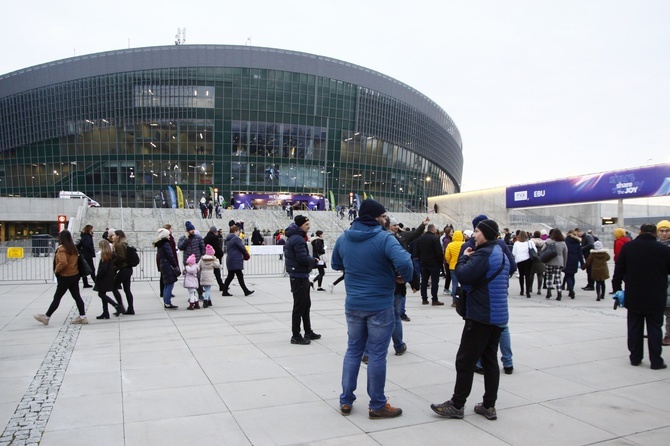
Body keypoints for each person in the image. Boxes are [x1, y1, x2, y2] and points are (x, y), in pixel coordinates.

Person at [331, 199, 413, 419]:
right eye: (384, 216)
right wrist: (403, 277)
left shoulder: (345, 237)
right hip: (379, 305)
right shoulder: (384, 238)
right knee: (377, 355)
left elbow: (335, 264)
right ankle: (377, 404)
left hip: (354, 304)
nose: (386, 219)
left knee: (353, 351)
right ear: (377, 217)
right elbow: (406, 263)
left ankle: (346, 400)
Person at [431, 219, 510, 421]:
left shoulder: (484, 253)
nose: (473, 235)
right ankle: (488, 405)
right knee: (490, 360)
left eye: (476, 231)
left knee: (465, 360)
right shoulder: (500, 252)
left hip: (481, 315)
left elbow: (464, 276)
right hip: (497, 316)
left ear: (486, 233)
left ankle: (457, 405)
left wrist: (464, 259)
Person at [612, 223, 670, 370]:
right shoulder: (664, 250)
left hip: (634, 294)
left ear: (640, 232)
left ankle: (635, 357)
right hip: (656, 295)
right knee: (655, 328)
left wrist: (617, 289)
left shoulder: (629, 247)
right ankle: (656, 361)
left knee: (634, 327)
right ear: (655, 233)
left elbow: (619, 270)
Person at [34, 229, 88, 325]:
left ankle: (46, 317)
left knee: (57, 297)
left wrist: (57, 270)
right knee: (77, 296)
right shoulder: (73, 248)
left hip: (65, 276)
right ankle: (83, 316)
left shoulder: (62, 249)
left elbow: (63, 262)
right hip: (74, 275)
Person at [285, 215, 320, 345]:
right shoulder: (298, 239)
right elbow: (302, 258)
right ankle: (295, 335)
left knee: (305, 305)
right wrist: (314, 260)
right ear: (300, 226)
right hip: (298, 275)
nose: (308, 226)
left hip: (300, 274)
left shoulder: (295, 237)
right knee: (300, 306)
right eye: (306, 224)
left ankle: (308, 331)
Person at [93, 239, 124, 319]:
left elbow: (103, 269)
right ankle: (105, 312)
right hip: (109, 276)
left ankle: (116, 305)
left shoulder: (105, 255)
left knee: (101, 294)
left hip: (104, 278)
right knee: (102, 294)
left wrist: (98, 276)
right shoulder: (110, 254)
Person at [416, 224, 445, 306]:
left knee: (424, 281)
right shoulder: (435, 238)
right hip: (434, 263)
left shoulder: (420, 238)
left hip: (424, 262)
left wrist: (420, 259)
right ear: (433, 229)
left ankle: (424, 299)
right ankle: (434, 299)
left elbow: (418, 251)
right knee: (435, 281)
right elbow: (438, 252)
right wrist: (440, 263)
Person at [222, 225, 254, 297]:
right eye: (238, 231)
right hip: (235, 259)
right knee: (239, 275)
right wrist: (246, 254)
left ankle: (224, 291)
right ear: (235, 231)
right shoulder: (236, 239)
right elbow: (242, 247)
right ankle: (245, 291)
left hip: (230, 259)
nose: (239, 232)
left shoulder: (228, 239)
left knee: (230, 276)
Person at [178, 221, 206, 299]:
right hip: (188, 262)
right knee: (190, 280)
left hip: (197, 261)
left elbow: (203, 248)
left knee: (198, 278)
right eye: (191, 230)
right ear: (187, 231)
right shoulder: (183, 238)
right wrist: (186, 239)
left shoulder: (198, 238)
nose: (192, 231)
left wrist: (202, 258)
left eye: (193, 229)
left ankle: (200, 294)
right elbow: (180, 247)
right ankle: (192, 295)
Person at [111, 229, 135, 314]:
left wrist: (113, 264)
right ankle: (130, 308)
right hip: (127, 269)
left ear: (118, 236)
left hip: (124, 269)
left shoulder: (119, 245)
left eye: (113, 235)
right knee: (127, 289)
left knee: (113, 287)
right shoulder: (123, 244)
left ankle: (120, 307)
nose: (112, 237)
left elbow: (121, 257)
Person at [154, 227, 179, 309]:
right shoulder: (166, 244)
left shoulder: (161, 244)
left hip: (164, 264)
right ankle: (167, 302)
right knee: (169, 284)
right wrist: (175, 265)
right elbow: (170, 255)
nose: (169, 236)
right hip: (167, 265)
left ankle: (166, 301)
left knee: (166, 284)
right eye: (168, 234)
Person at [541, 228, 568, 300]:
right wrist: (564, 264)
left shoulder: (548, 241)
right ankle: (559, 293)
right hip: (559, 262)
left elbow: (543, 250)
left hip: (549, 261)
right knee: (558, 278)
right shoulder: (563, 243)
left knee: (549, 276)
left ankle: (549, 291)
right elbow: (565, 254)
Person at [511, 231, 536, 298]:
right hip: (528, 260)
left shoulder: (516, 243)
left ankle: (522, 290)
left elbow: (514, 253)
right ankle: (528, 291)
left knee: (521, 275)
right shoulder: (529, 242)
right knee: (528, 276)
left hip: (519, 260)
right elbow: (535, 251)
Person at [658, 220, 670, 346]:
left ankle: (668, 335)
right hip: (657, 284)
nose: (664, 233)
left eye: (667, 231)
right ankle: (655, 331)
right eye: (662, 231)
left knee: (669, 313)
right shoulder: (655, 245)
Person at [445, 230, 465, 305]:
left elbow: (447, 256)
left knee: (454, 284)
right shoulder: (464, 244)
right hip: (463, 266)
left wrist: (450, 262)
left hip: (453, 266)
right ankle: (462, 299)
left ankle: (454, 301)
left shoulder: (450, 245)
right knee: (463, 283)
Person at [158, 224, 178, 298]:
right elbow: (170, 253)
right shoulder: (166, 242)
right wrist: (174, 264)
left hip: (164, 262)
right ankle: (166, 298)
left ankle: (165, 294)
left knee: (165, 278)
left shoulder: (162, 242)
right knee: (168, 281)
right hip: (167, 262)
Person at [203, 226, 225, 291]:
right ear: (215, 232)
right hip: (214, 257)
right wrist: (221, 254)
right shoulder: (215, 238)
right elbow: (217, 248)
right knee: (217, 272)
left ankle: (204, 286)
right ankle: (221, 285)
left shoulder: (205, 238)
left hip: (206, 258)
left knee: (206, 273)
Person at [563, 230, 584, 299]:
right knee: (572, 275)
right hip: (574, 260)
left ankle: (571, 289)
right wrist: (582, 263)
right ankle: (571, 289)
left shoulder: (565, 242)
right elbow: (580, 254)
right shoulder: (577, 242)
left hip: (566, 260)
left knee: (568, 275)